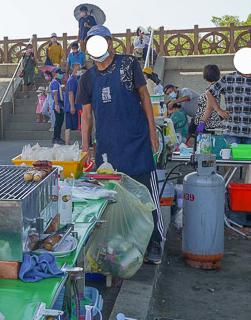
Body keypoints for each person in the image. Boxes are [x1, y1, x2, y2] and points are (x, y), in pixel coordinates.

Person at [77, 24, 164, 265]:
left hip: (137, 140)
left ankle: (154, 240)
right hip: (107, 148)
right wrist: (85, 148)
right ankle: (123, 242)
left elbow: (144, 96)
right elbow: (86, 115)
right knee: (116, 197)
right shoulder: (87, 77)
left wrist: (152, 133)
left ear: (109, 41)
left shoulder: (128, 64)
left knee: (147, 193)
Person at [205, 61, 251, 146]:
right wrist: (218, 110)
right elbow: (210, 93)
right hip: (232, 130)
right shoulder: (228, 78)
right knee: (230, 157)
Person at [195, 64, 225, 140]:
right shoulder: (215, 87)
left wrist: (202, 122)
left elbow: (209, 107)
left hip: (208, 123)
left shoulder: (211, 89)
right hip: (210, 122)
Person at [66, 62, 83, 144]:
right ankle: (85, 142)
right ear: (74, 69)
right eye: (78, 69)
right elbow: (71, 93)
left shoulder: (74, 79)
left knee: (68, 126)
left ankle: (67, 142)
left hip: (71, 106)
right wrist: (72, 106)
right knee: (80, 126)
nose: (80, 71)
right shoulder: (72, 80)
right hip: (76, 107)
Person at [49, 66, 66, 145]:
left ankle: (58, 137)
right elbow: (55, 94)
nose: (61, 75)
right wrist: (56, 105)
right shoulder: (55, 82)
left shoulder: (57, 82)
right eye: (60, 74)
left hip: (60, 103)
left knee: (59, 122)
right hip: (58, 104)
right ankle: (56, 137)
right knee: (58, 122)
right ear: (55, 74)